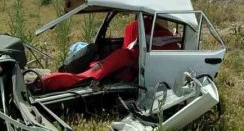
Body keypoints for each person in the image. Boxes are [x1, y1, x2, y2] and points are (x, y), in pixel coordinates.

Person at [38, 17, 179, 92]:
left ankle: (43, 82)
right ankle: (44, 81)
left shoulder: (128, 52)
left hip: (125, 70)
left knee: (81, 77)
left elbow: (92, 75)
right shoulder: (167, 41)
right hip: (124, 67)